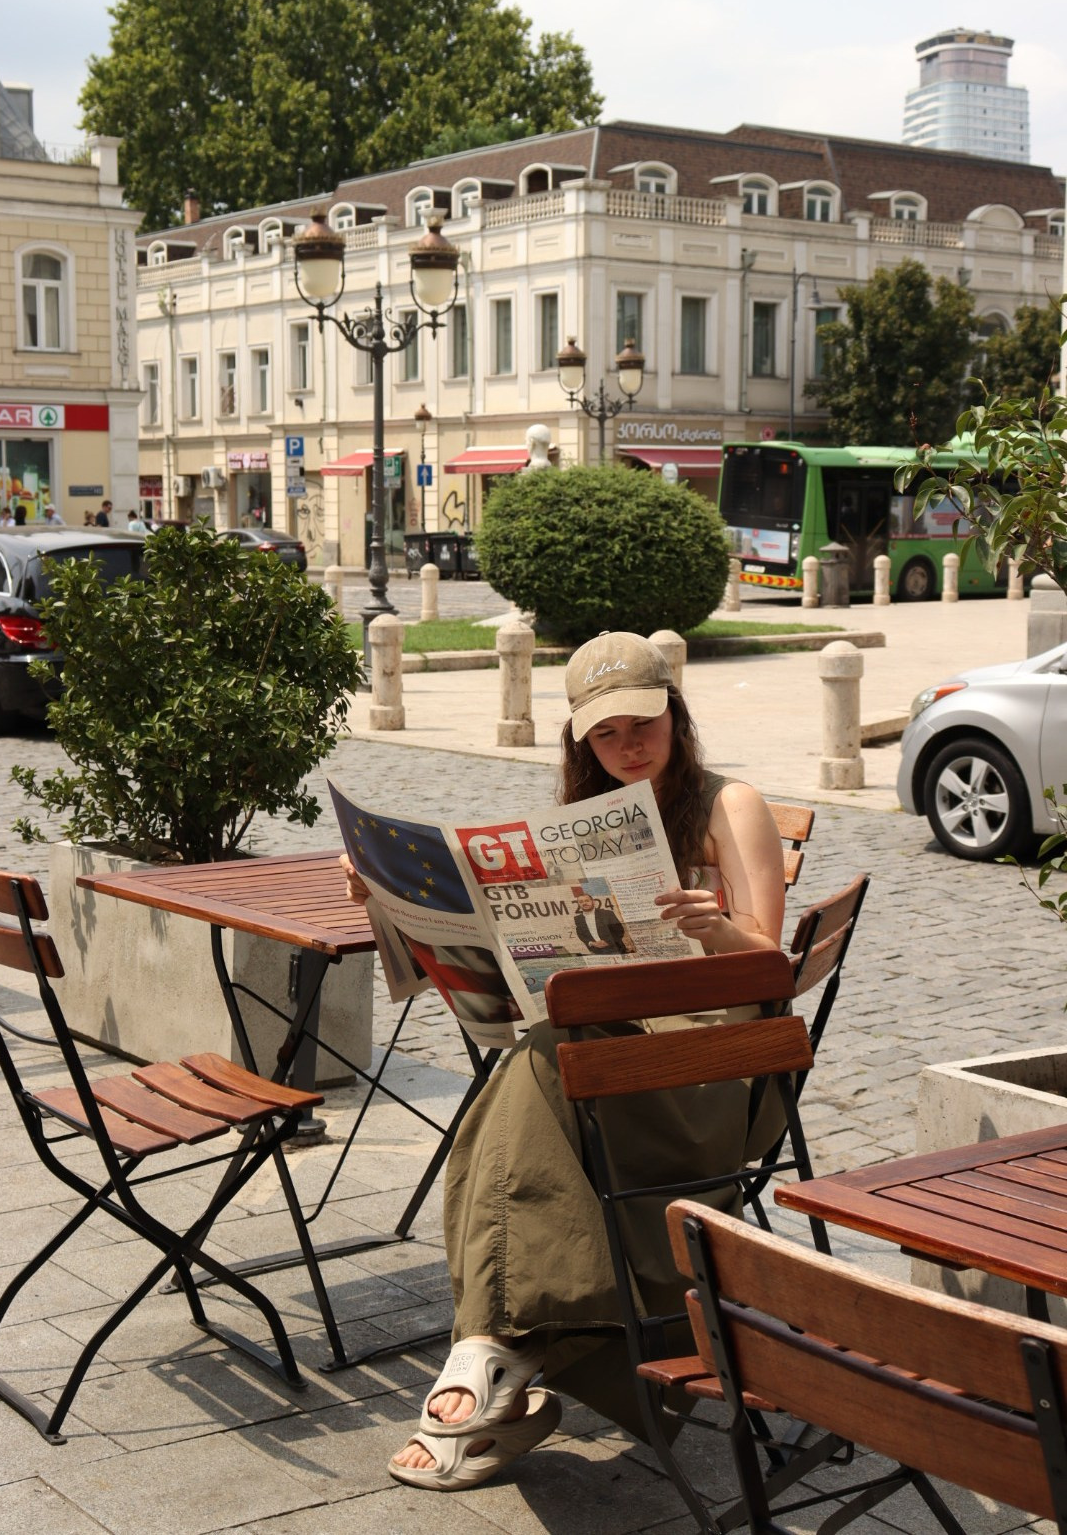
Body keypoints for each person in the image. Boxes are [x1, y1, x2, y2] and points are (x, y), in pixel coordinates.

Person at [341, 631, 786, 1492]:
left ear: (677, 717)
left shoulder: (732, 805)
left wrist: (715, 927)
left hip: (716, 1065)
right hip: (615, 1049)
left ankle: (493, 1347)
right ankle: (502, 1354)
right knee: (542, 1047)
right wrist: (390, 904)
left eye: (643, 724)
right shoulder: (583, 821)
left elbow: (770, 967)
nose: (628, 743)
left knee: (537, 1062)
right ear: (579, 738)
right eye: (606, 732)